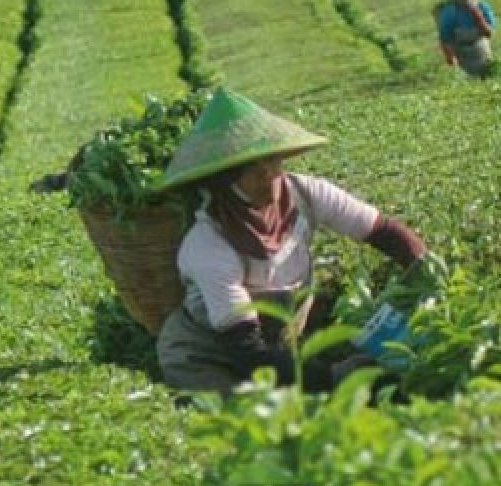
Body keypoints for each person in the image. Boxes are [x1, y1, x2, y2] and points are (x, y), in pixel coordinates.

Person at [153, 88, 430, 395]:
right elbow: (247, 352)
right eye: (252, 168)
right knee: (257, 424)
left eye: (272, 161)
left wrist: (428, 273)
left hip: (274, 349)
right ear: (224, 181)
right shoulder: (209, 245)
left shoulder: (307, 194)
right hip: (207, 356)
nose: (269, 174)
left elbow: (385, 232)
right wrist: (334, 376)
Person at [435, 0, 496, 76]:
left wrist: (476, 13)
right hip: (461, 54)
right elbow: (445, 40)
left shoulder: (482, 6)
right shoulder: (449, 12)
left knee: (488, 75)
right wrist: (452, 60)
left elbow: (489, 33)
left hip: (481, 50)